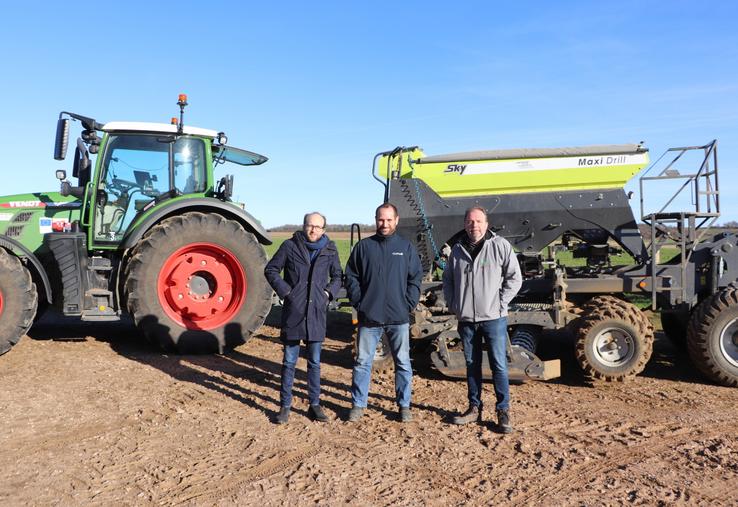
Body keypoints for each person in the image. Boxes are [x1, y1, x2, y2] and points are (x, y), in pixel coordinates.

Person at [442, 206, 522, 433]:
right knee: (471, 364)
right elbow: (447, 279)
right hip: (466, 318)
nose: (473, 225)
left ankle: (503, 411)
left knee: (498, 364)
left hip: (494, 318)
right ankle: (474, 407)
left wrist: (500, 303)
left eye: (478, 221)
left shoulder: (500, 246)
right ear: (465, 224)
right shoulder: (457, 250)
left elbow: (515, 278)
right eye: (469, 222)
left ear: (486, 224)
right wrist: (453, 304)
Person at [344, 203, 422, 423]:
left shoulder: (405, 248)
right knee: (362, 362)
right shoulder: (364, 247)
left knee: (403, 362)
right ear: (375, 219)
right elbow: (351, 277)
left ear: (396, 220)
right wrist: (360, 302)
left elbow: (415, 278)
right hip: (370, 317)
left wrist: (407, 304)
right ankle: (358, 404)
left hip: (399, 317)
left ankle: (404, 405)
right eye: (381, 219)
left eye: (388, 220)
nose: (384, 224)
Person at [264, 212, 343, 424]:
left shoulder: (330, 249)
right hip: (294, 312)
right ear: (304, 226)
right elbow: (271, 269)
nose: (313, 230)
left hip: (316, 313)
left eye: (318, 227)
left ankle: (314, 405)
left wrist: (327, 294)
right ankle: (285, 406)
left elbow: (338, 276)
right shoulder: (289, 246)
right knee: (289, 361)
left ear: (324, 229)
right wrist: (287, 293)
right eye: (310, 225)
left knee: (315, 362)